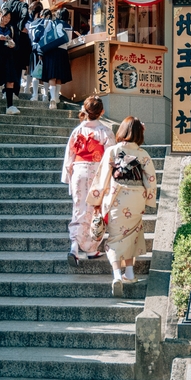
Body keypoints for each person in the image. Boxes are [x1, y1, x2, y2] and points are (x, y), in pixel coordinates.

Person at [87, 116, 157, 297]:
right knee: (131, 234)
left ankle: (117, 275)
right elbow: (150, 179)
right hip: (136, 199)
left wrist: (96, 201)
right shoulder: (143, 154)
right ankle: (130, 273)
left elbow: (102, 178)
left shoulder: (112, 151)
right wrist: (148, 199)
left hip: (117, 197)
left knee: (116, 238)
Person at [61, 96, 116, 266]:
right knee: (95, 209)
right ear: (102, 112)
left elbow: (69, 156)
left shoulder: (77, 131)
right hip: (97, 173)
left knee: (79, 209)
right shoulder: (105, 131)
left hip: (78, 171)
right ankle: (92, 248)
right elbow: (111, 158)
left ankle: (74, 246)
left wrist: (67, 177)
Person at [41, 7, 73, 109]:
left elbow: (45, 36)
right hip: (63, 52)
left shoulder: (52, 23)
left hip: (52, 51)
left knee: (52, 76)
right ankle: (57, 98)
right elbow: (69, 42)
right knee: (59, 76)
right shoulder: (69, 27)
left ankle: (53, 99)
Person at [3, 0, 31, 96]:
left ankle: (5, 91)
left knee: (7, 65)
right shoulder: (22, 5)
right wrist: (20, 26)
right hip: (18, 40)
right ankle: (14, 92)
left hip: (6, 37)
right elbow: (25, 15)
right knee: (17, 66)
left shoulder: (5, 5)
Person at [26, 0, 45, 101]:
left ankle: (32, 93)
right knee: (44, 73)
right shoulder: (47, 23)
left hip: (33, 48)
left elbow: (29, 36)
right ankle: (45, 96)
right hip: (45, 49)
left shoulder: (31, 23)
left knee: (33, 71)